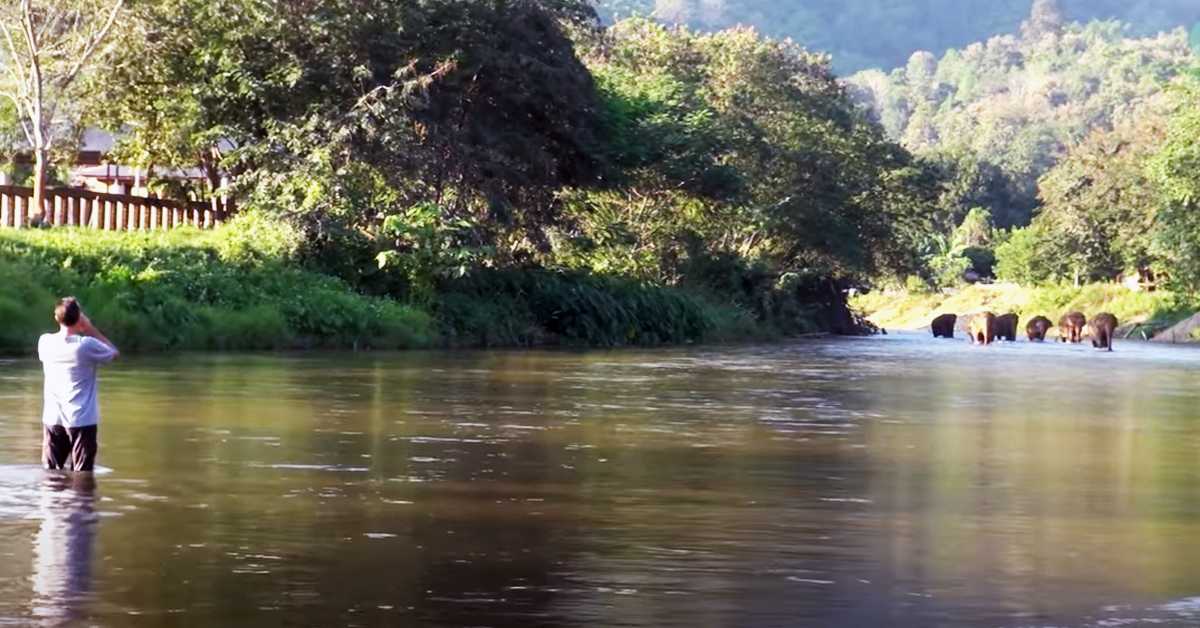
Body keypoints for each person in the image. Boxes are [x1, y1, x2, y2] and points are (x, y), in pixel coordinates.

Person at [38, 298, 119, 471]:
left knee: (52, 473)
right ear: (79, 318)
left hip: (53, 417)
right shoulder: (86, 346)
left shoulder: (44, 342)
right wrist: (89, 329)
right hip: (81, 419)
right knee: (82, 475)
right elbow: (113, 353)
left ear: (56, 317)